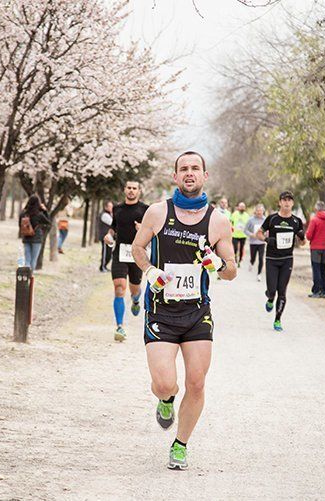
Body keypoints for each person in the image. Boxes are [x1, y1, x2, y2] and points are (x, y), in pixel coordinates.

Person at [131, 151, 236, 471]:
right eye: (183, 169)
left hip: (197, 313)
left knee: (197, 382)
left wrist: (216, 264)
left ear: (205, 176)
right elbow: (137, 248)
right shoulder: (157, 212)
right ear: (175, 177)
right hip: (161, 311)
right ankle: (165, 401)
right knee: (165, 384)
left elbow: (231, 270)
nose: (189, 173)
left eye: (195, 168)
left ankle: (180, 445)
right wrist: (149, 272)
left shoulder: (218, 220)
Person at [104, 181, 149, 342]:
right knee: (119, 287)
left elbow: (151, 231)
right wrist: (109, 236)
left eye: (134, 188)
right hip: (120, 253)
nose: (131, 191)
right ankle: (120, 326)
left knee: (134, 289)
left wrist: (142, 229)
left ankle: (136, 299)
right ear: (124, 190)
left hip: (137, 253)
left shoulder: (145, 210)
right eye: (128, 188)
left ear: (139, 191)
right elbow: (113, 227)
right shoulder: (117, 208)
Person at [256, 191, 306, 331]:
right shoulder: (272, 219)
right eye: (284, 200)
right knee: (272, 290)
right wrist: (267, 239)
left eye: (289, 200)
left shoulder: (296, 221)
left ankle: (278, 320)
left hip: (287, 260)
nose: (287, 202)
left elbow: (303, 243)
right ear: (279, 202)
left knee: (282, 291)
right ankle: (270, 298)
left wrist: (302, 238)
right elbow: (258, 233)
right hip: (272, 259)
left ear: (293, 203)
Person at [305, 201, 325, 298]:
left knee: (316, 269)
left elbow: (308, 236)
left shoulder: (314, 220)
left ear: (316, 209)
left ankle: (316, 291)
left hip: (316, 248)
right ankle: (324, 291)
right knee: (323, 269)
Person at [18, 195, 50, 270]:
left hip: (26, 238)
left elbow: (20, 225)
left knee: (27, 260)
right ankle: (30, 277)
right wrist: (45, 211)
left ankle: (26, 276)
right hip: (37, 238)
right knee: (33, 260)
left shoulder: (23, 214)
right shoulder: (39, 214)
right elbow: (48, 222)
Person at [244, 204, 266, 281]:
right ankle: (251, 263)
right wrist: (251, 235)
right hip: (253, 242)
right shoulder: (251, 220)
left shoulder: (265, 220)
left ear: (263, 211)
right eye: (258, 211)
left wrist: (266, 236)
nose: (259, 212)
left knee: (261, 258)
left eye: (261, 211)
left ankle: (259, 274)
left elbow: (268, 230)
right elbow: (245, 230)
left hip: (261, 242)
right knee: (253, 257)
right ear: (255, 211)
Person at [98, 201, 114, 272]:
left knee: (109, 254)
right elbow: (112, 222)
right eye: (110, 206)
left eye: (112, 206)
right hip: (104, 237)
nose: (111, 208)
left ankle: (104, 266)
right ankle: (102, 267)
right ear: (106, 207)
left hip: (110, 238)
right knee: (105, 253)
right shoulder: (104, 215)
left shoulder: (109, 214)